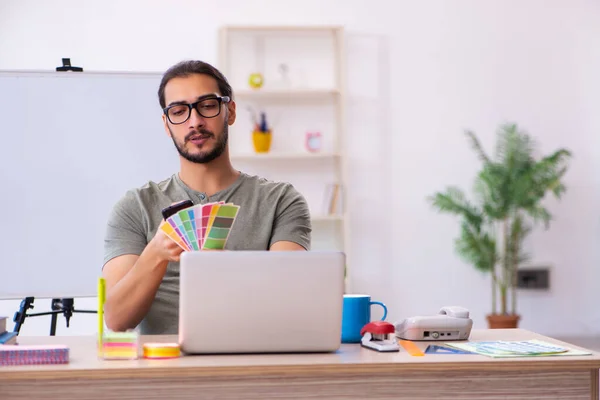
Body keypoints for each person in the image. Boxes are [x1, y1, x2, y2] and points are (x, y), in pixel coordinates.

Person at [102, 60, 311, 335]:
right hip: (164, 370)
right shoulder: (135, 206)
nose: (195, 121)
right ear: (166, 125)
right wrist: (156, 253)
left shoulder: (282, 201)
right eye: (179, 111)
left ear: (230, 111)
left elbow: (290, 302)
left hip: (252, 367)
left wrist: (226, 269)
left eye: (208, 106)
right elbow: (117, 319)